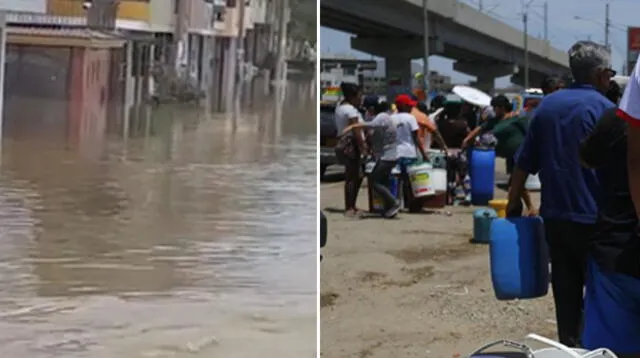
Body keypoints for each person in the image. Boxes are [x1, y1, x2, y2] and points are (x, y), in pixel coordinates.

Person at [506, 41, 616, 347]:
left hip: (556, 218)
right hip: (598, 220)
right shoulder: (606, 111)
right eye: (609, 74)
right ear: (599, 74)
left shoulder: (546, 108)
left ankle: (568, 347)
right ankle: (595, 350)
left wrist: (513, 203)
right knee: (601, 296)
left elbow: (522, 163)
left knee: (566, 294)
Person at [579, 76, 640, 357]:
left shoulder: (610, 121)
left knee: (610, 351)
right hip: (616, 248)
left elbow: (586, 159)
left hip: (614, 247)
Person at [341, 101, 401, 218]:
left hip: (387, 157)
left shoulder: (382, 117)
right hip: (389, 156)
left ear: (373, 109)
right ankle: (388, 207)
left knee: (374, 182)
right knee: (382, 182)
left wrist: (353, 126)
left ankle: (394, 202)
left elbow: (371, 125)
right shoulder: (388, 118)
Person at [334, 82, 367, 218]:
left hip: (347, 144)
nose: (361, 99)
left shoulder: (340, 108)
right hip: (351, 145)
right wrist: (363, 147)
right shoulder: (350, 110)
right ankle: (349, 207)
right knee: (352, 177)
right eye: (359, 96)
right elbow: (356, 130)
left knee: (356, 176)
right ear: (352, 96)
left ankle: (352, 205)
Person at [393, 94, 429, 211]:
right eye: (409, 106)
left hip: (395, 154)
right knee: (411, 182)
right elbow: (416, 138)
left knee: (397, 181)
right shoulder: (410, 118)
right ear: (403, 106)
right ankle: (411, 205)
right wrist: (423, 154)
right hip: (409, 153)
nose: (411, 108)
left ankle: (397, 203)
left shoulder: (391, 118)